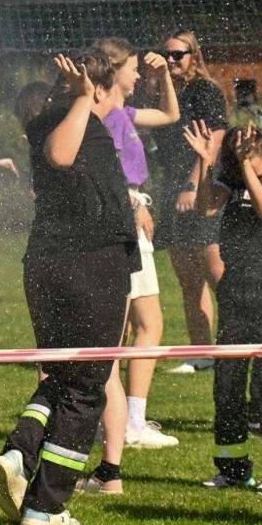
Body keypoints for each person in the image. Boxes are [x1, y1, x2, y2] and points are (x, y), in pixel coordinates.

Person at [0, 54, 138, 525]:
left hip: (51, 264)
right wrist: (81, 99)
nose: (116, 100)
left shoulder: (54, 119)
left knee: (62, 376)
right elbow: (60, 156)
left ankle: (20, 451)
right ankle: (46, 506)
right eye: (110, 90)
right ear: (95, 89)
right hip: (89, 266)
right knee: (88, 385)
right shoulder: (72, 119)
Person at [76, 40, 182, 495]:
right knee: (121, 333)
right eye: (134, 70)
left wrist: (166, 79)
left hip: (135, 218)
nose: (140, 76)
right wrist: (134, 203)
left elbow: (171, 117)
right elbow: (108, 172)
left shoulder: (126, 114)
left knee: (146, 323)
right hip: (125, 223)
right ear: (113, 72)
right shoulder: (105, 119)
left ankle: (126, 425)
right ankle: (121, 428)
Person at [185, 122, 262, 495]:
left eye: (246, 158)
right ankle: (234, 468)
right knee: (228, 382)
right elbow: (206, 208)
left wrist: (246, 167)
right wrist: (207, 163)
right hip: (236, 287)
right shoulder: (236, 173)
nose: (240, 168)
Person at [147, 31, 228, 373]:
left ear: (194, 56)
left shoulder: (205, 90)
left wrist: (193, 184)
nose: (171, 60)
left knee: (216, 272)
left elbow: (217, 136)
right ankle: (202, 353)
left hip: (203, 188)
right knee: (188, 279)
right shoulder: (165, 94)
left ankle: (235, 345)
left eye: (178, 55)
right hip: (172, 190)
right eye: (167, 54)